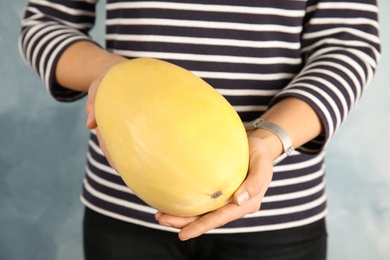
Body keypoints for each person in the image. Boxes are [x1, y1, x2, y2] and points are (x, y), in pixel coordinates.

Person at [19, 0, 381, 259]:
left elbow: (348, 45)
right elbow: (45, 23)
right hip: (123, 212)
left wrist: (271, 139)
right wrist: (114, 74)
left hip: (280, 215)